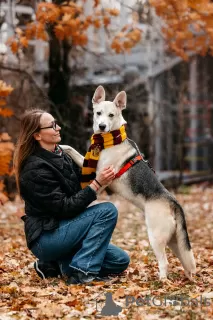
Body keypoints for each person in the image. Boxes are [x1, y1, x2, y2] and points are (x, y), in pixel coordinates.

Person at [13, 109, 130, 284]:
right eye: (52, 125)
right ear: (37, 135)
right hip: (46, 237)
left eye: (56, 123)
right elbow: (65, 208)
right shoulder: (34, 169)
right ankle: (82, 272)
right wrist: (97, 184)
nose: (58, 127)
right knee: (107, 211)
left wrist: (105, 166)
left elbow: (81, 185)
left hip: (66, 229)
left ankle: (56, 266)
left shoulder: (61, 154)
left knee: (120, 260)